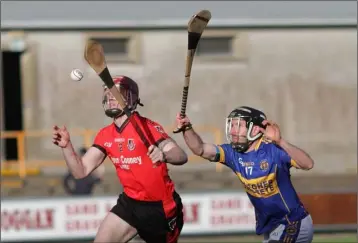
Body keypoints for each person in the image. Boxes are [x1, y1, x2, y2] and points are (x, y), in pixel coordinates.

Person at [53, 75, 188, 243]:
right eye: (108, 96)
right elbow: (80, 171)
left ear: (131, 99)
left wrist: (164, 155)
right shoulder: (105, 135)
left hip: (161, 208)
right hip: (130, 203)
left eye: (116, 95)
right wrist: (66, 147)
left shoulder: (147, 127)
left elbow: (181, 155)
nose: (111, 99)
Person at [176, 106, 314, 243]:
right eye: (232, 125)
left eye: (238, 125)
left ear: (254, 129)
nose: (233, 131)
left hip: (293, 222)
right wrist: (187, 128)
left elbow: (308, 164)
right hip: (272, 227)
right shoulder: (232, 154)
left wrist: (280, 141)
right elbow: (200, 149)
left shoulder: (274, 150)